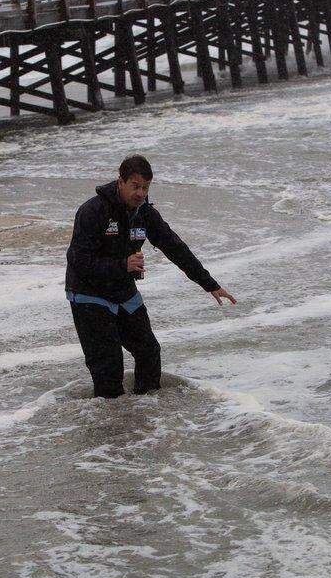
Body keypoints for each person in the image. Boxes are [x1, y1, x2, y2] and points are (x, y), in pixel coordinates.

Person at [65, 154, 236, 398]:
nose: (140, 193)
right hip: (88, 295)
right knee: (109, 368)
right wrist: (122, 265)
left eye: (145, 188)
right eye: (135, 186)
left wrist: (210, 285)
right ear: (120, 182)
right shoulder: (93, 211)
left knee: (148, 351)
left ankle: (148, 416)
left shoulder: (145, 214)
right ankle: (107, 429)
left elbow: (176, 248)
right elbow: (78, 261)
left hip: (123, 292)